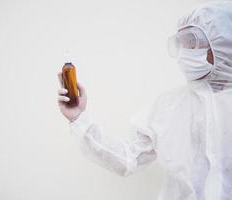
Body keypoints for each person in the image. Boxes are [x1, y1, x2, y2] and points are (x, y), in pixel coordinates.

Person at [57, 1, 232, 199]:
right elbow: (128, 158)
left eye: (191, 41)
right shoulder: (168, 107)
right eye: (180, 42)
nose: (184, 50)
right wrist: (79, 119)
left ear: (223, 42)